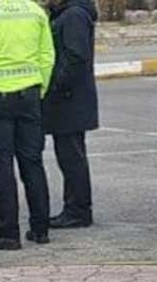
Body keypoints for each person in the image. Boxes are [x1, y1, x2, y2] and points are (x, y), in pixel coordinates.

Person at [0, 0, 54, 249]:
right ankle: (40, 228)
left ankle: (8, 233)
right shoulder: (35, 11)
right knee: (33, 162)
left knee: (1, 168)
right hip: (29, 95)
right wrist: (39, 88)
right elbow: (47, 56)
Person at [43, 0, 97, 230]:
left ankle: (78, 210)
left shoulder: (74, 15)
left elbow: (76, 57)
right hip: (69, 99)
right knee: (69, 156)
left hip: (69, 100)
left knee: (71, 157)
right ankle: (74, 207)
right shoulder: (67, 13)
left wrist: (56, 87)